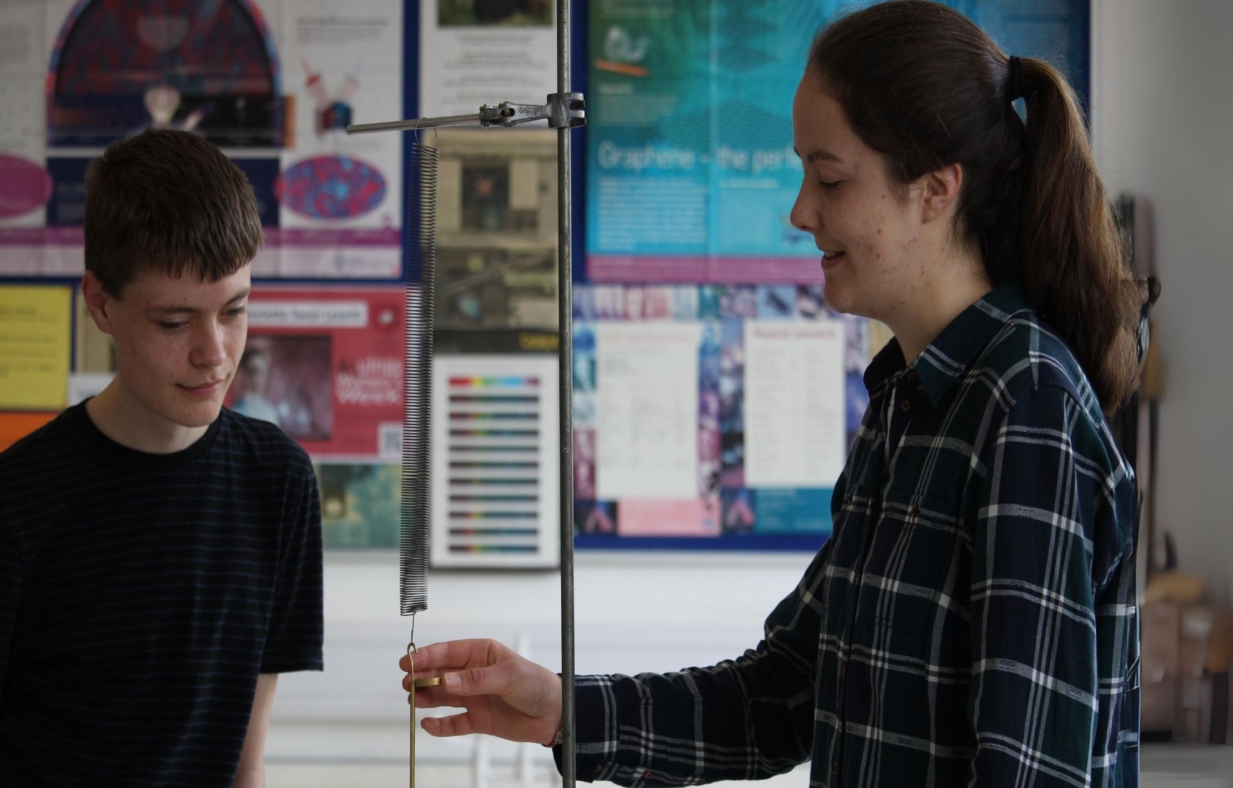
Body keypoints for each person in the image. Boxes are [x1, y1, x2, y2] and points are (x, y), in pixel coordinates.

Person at [402, 3, 1150, 786]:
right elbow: (785, 693)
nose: (800, 211)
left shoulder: (1026, 406)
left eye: (829, 178)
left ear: (935, 190)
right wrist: (560, 709)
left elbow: (1028, 772)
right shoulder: (910, 404)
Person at [0, 129, 324, 787]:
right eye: (174, 322)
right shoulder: (15, 498)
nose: (214, 353)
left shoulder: (279, 483)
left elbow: (246, 763)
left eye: (235, 310)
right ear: (101, 302)